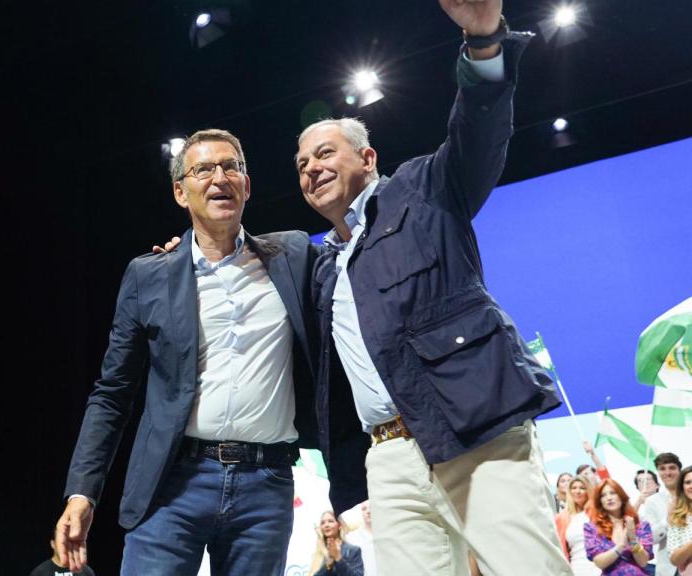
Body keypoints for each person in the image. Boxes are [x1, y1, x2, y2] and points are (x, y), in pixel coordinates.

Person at [296, 0, 567, 574]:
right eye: (300, 164)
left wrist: (484, 40)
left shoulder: (425, 189)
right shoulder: (323, 267)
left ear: (367, 157)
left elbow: (480, 128)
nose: (311, 168)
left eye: (325, 153)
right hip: (388, 459)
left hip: (476, 430)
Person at [56, 128, 319, 575]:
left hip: (266, 487)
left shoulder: (291, 255)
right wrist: (82, 492)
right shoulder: (149, 275)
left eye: (232, 167)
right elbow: (112, 393)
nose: (221, 177)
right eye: (204, 169)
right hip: (172, 485)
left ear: (247, 185)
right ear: (181, 192)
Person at [584, 478, 653, 574]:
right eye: (603, 495)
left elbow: (643, 562)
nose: (609, 498)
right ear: (600, 501)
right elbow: (600, 563)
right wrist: (621, 546)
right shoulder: (592, 528)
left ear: (621, 496)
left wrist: (633, 539)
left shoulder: (640, 525)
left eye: (613, 493)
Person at [644, 453, 684, 576]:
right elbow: (652, 538)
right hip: (669, 567)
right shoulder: (652, 501)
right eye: (662, 469)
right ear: (658, 472)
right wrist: (667, 520)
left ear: (679, 470)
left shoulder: (689, 494)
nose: (667, 473)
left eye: (672, 468)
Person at [555, 475, 601, 576]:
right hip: (577, 569)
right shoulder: (562, 518)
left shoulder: (598, 512)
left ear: (588, 490)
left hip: (601, 566)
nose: (578, 491)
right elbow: (560, 549)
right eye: (574, 488)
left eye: (582, 488)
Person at [309, 510, 364, 576]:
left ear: (339, 525)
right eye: (323, 523)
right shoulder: (318, 554)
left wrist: (338, 558)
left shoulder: (353, 550)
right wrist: (329, 563)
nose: (326, 525)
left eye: (330, 521)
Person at [30, 532, 96, 576]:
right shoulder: (40, 573)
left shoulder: (85, 571)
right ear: (53, 544)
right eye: (62, 542)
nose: (66, 545)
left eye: (69, 542)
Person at [667, 466, 692, 575]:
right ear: (682, 488)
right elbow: (674, 559)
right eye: (687, 482)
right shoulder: (678, 518)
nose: (691, 486)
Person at [344, 502, 377, 576]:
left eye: (371, 507)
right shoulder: (352, 538)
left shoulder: (387, 535)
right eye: (364, 509)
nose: (368, 511)